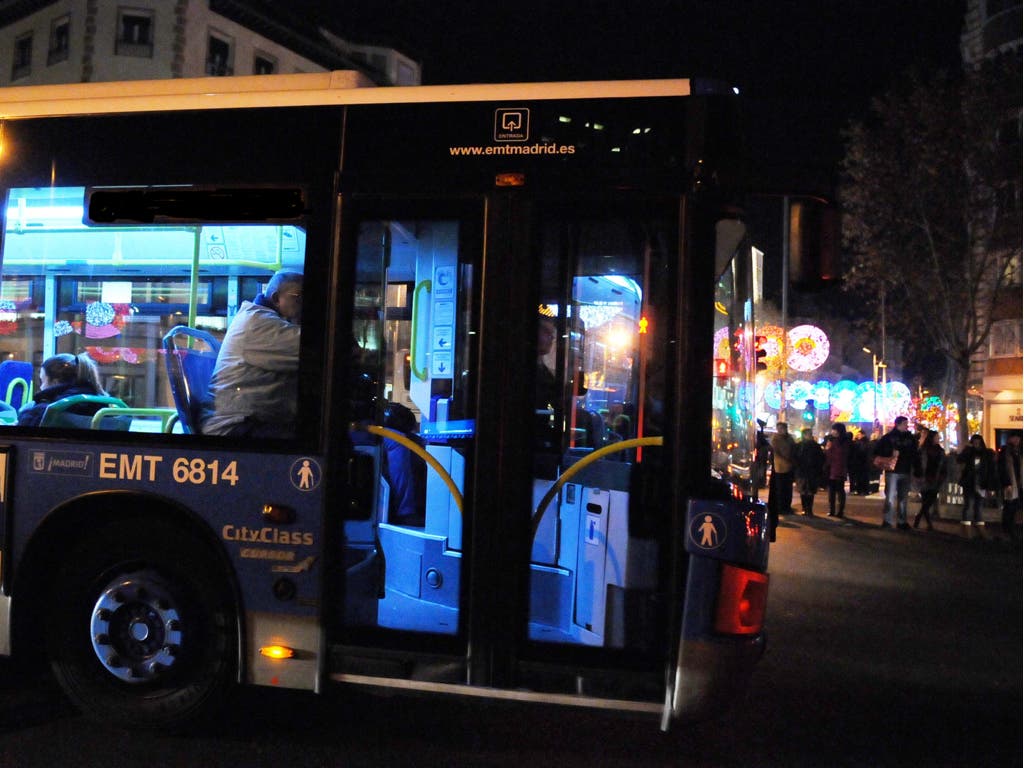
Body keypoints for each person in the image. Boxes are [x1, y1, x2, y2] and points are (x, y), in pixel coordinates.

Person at [201, 270, 303, 437]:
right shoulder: (260, 325)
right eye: (299, 297)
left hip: (246, 419)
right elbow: (316, 350)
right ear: (277, 298)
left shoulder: (261, 319)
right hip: (234, 426)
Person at [17, 352, 107, 427]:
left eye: (42, 381)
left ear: (55, 382)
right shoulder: (102, 406)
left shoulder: (47, 411)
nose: (41, 387)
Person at [874, 416, 918, 530]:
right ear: (898, 424)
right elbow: (878, 451)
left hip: (904, 470)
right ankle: (890, 520)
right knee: (891, 497)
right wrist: (890, 455)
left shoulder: (909, 438)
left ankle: (900, 521)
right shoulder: (889, 438)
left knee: (902, 498)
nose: (907, 426)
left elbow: (915, 453)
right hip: (893, 470)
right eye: (905, 424)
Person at [957, 434, 998, 538]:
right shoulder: (969, 452)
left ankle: (979, 529)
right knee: (968, 505)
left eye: (978, 442)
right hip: (970, 483)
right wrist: (966, 450)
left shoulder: (986, 454)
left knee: (978, 506)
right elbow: (959, 459)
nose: (976, 444)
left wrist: (990, 486)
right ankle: (967, 530)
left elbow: (991, 471)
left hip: (981, 483)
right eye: (974, 442)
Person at [913, 429, 947, 531]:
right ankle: (927, 523)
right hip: (925, 477)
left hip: (935, 477)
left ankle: (919, 518)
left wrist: (942, 475)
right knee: (926, 501)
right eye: (936, 437)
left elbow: (943, 465)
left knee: (928, 501)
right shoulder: (923, 450)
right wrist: (917, 474)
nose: (938, 439)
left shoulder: (940, 451)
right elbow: (917, 463)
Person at [769, 422, 797, 529]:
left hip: (789, 467)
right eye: (779, 428)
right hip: (780, 467)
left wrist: (792, 460)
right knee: (780, 488)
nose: (781, 430)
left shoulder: (790, 438)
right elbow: (778, 451)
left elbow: (794, 449)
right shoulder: (775, 438)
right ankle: (781, 507)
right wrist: (788, 458)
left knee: (788, 488)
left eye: (782, 428)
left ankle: (787, 507)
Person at [794, 427, 824, 516]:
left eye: (810, 434)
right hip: (802, 471)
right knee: (803, 491)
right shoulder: (799, 445)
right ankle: (804, 508)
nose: (809, 436)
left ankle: (809, 509)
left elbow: (820, 458)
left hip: (812, 472)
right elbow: (795, 458)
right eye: (807, 434)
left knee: (810, 491)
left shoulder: (815, 446)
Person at [824, 422, 851, 518]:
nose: (832, 431)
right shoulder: (842, 441)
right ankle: (836, 510)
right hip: (836, 469)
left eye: (834, 429)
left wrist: (828, 449)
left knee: (836, 491)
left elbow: (832, 454)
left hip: (836, 469)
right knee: (836, 491)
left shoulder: (838, 442)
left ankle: (836, 511)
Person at [997, 433, 1022, 538]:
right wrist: (1006, 483)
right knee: (1009, 507)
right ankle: (1007, 529)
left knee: (1014, 507)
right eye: (1014, 438)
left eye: (1018, 438)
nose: (1017, 440)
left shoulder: (1018, 452)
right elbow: (1002, 468)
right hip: (1010, 483)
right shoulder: (1006, 452)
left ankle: (1010, 528)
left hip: (1017, 483)